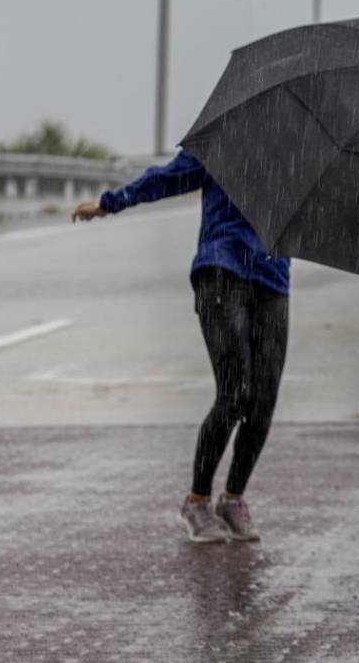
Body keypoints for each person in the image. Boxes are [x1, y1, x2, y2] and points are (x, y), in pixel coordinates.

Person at [71, 149, 290, 543]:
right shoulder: (226, 139)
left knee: (263, 400)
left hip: (273, 277)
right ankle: (196, 500)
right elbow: (168, 177)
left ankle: (233, 499)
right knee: (235, 393)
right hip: (221, 270)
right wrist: (110, 203)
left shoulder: (301, 150)